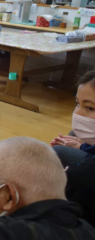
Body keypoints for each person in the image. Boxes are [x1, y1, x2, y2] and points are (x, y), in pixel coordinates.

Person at [51, 70, 95, 226]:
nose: (77, 113)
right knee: (73, 133)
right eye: (77, 103)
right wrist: (82, 145)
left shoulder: (82, 177)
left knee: (57, 152)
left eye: (90, 108)